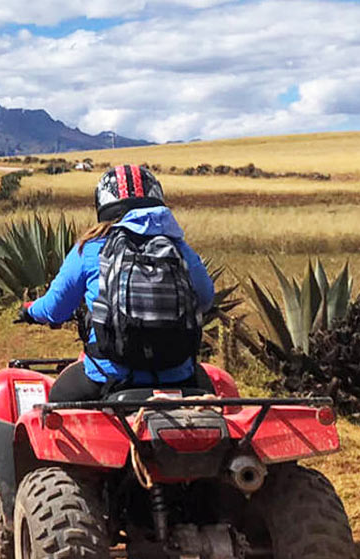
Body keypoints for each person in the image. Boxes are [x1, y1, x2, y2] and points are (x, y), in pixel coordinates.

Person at [19, 165, 215, 402]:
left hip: (108, 378)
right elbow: (205, 299)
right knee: (214, 397)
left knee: (57, 402)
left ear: (103, 205)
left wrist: (30, 311)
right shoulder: (180, 248)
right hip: (179, 378)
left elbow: (55, 308)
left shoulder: (90, 249)